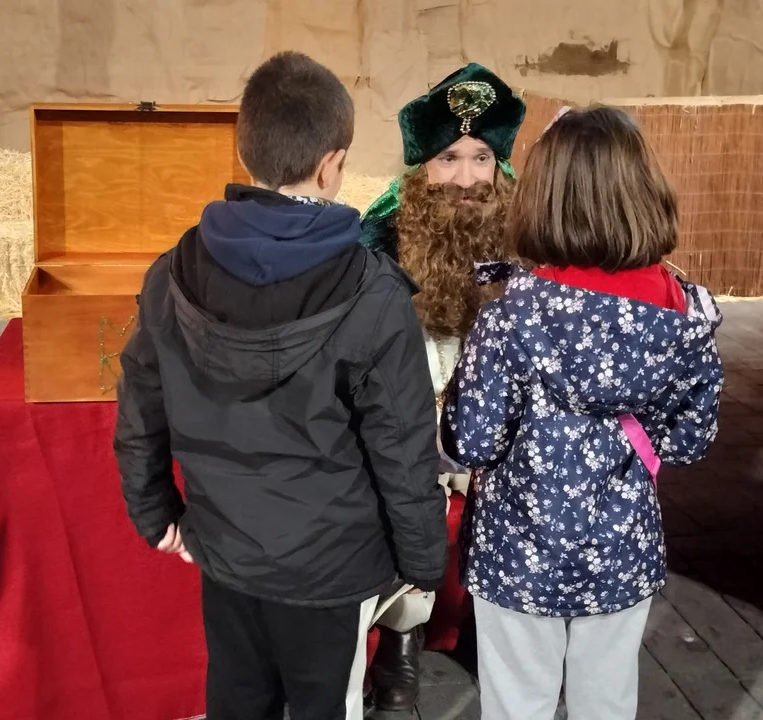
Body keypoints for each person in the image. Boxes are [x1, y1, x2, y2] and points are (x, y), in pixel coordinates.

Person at [113, 51, 449, 720]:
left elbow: (140, 410)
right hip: (330, 566)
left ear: (244, 153)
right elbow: (404, 446)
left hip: (227, 550)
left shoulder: (171, 272)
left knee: (238, 701)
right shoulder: (374, 292)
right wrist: (422, 561)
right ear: (332, 165)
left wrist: (155, 516)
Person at [441, 105, 725, 720]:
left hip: (517, 551)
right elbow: (689, 441)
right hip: (623, 548)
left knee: (518, 705)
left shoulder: (511, 316)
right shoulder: (684, 315)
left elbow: (472, 442)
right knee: (607, 703)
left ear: (544, 198)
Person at [358, 62, 525, 713]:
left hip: (497, 411)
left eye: (480, 158)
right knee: (404, 505)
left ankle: (494, 626)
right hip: (411, 408)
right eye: (448, 158)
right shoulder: (379, 233)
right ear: (421, 168)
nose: (465, 178)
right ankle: (401, 643)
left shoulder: (527, 230)